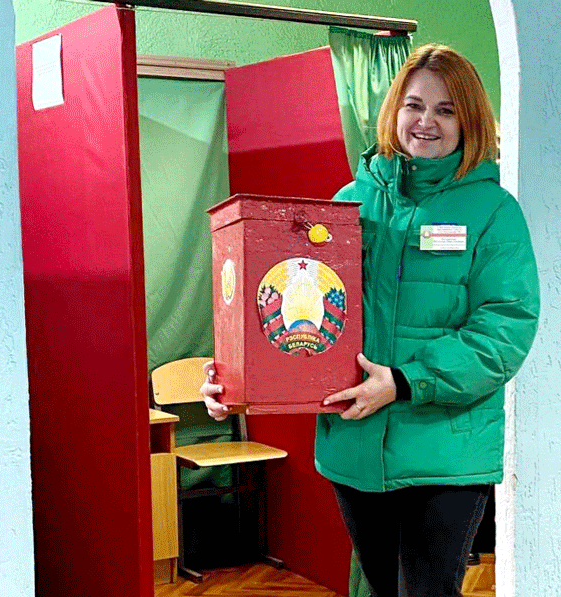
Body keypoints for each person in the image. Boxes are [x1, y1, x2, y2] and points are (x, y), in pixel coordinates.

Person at [201, 43, 539, 597]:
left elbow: (505, 329)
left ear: (470, 121)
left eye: (446, 110)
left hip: (445, 451)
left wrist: (403, 382)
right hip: (356, 446)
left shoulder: (494, 212)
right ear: (394, 110)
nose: (426, 121)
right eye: (414, 105)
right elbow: (302, 312)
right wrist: (235, 382)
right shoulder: (349, 202)